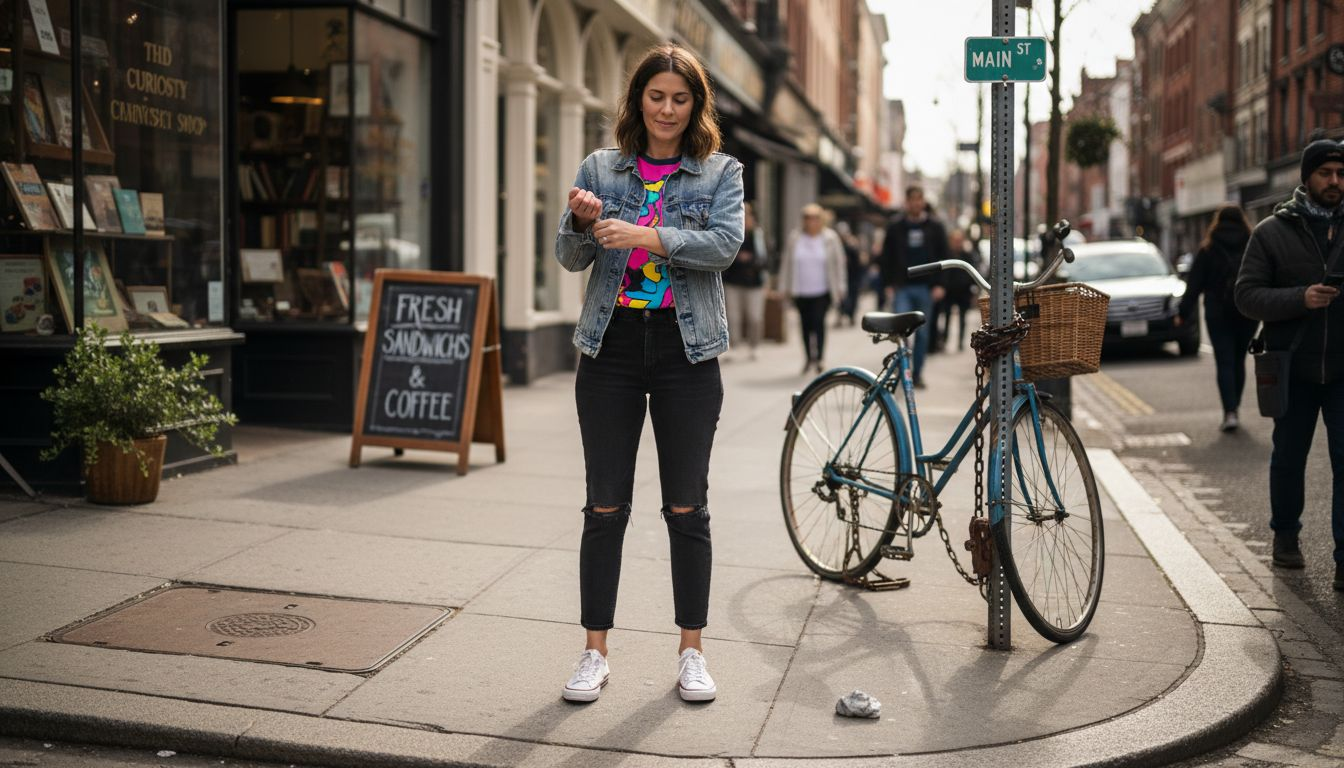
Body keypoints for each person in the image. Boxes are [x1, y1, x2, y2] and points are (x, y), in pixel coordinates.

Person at [554, 43, 745, 702]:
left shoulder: (720, 173)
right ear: (639, 99)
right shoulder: (600, 170)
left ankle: (692, 651)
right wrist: (582, 223)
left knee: (686, 506)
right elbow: (569, 256)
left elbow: (724, 247)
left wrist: (642, 236)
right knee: (604, 506)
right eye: (656, 95)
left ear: (696, 106)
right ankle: (593, 653)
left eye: (680, 98)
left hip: (685, 354)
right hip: (608, 350)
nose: (667, 109)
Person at [1234, 138, 1344, 591]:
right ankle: (1285, 537)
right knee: (1288, 459)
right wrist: (1301, 299)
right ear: (1306, 177)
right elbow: (1246, 296)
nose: (1335, 182)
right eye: (1326, 173)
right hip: (1293, 368)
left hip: (1343, 372)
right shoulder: (1271, 232)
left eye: (1341, 174)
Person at [1176, 204, 1258, 432]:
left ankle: (1229, 412)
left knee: (1224, 361)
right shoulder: (1252, 244)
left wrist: (1182, 314)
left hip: (1217, 312)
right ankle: (1235, 406)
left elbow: (1194, 286)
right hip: (1247, 311)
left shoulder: (1208, 249)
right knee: (1239, 359)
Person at [880, 186, 948, 387]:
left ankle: (917, 375)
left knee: (923, 334)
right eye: (912, 199)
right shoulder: (895, 227)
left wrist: (940, 285)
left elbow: (944, 256)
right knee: (901, 332)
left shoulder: (935, 227)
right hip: (902, 287)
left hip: (926, 287)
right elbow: (886, 257)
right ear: (907, 202)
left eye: (919, 199)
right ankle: (904, 372)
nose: (916, 203)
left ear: (923, 201)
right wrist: (888, 284)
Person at [777, 203, 846, 374]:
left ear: (820, 220)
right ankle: (808, 358)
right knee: (805, 325)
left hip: (823, 290)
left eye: (815, 218)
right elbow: (786, 263)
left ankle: (820, 358)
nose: (811, 222)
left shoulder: (830, 238)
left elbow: (839, 264)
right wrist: (782, 287)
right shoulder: (795, 238)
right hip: (801, 290)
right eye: (807, 218)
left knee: (819, 322)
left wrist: (841, 286)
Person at [722, 201, 768, 360]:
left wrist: (750, 259)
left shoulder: (757, 235)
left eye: (747, 215)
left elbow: (764, 259)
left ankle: (754, 345)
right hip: (733, 281)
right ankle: (734, 346)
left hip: (754, 282)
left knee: (755, 316)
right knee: (733, 316)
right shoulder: (731, 232)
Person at [937, 228, 980, 352]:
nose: (957, 243)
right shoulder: (947, 254)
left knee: (963, 317)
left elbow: (973, 273)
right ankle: (944, 340)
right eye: (955, 241)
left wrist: (973, 290)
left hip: (963, 291)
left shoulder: (967, 255)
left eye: (959, 240)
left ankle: (960, 342)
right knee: (947, 316)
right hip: (949, 291)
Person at [836, 221, 866, 327]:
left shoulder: (852, 245)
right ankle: (841, 315)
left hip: (853, 276)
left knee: (853, 297)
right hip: (841, 276)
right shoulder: (837, 245)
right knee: (841, 299)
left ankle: (851, 316)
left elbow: (859, 262)